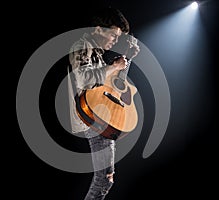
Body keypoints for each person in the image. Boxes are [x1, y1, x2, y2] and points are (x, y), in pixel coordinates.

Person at [67, 7, 140, 200]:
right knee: (104, 180)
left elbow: (109, 86)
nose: (115, 41)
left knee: (105, 179)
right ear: (98, 29)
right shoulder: (82, 45)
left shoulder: (97, 53)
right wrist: (114, 66)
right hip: (94, 119)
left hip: (103, 116)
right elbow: (84, 80)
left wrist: (127, 58)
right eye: (114, 35)